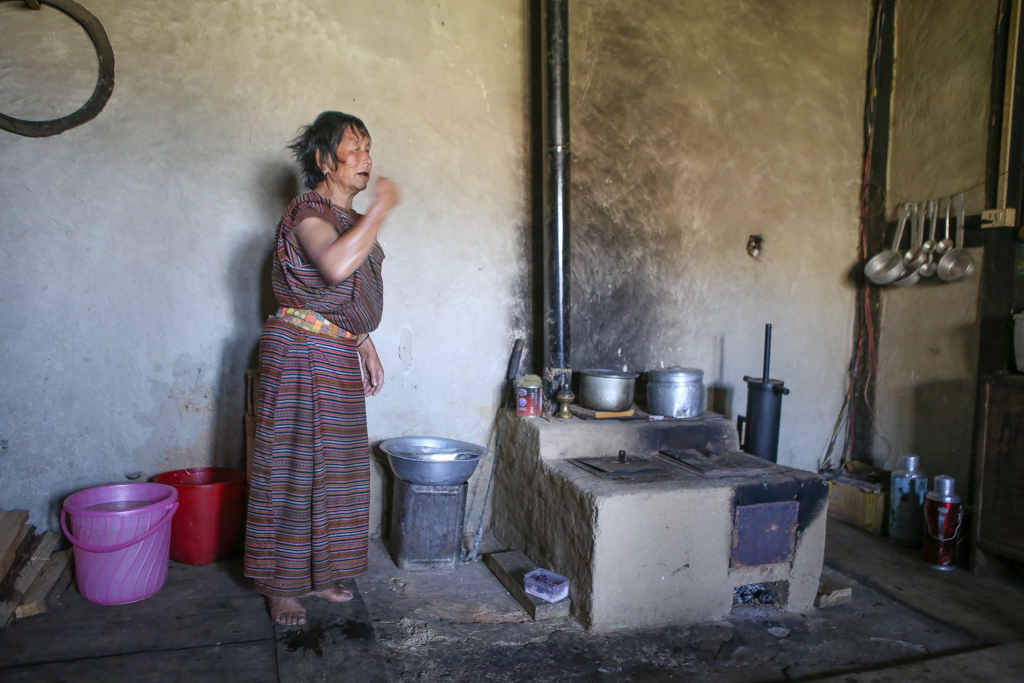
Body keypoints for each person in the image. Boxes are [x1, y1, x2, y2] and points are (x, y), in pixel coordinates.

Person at [244, 111, 399, 627]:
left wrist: (365, 343)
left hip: (332, 351)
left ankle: (320, 571)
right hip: (299, 352)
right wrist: (381, 209)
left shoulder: (351, 222)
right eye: (353, 149)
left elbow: (342, 297)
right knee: (293, 468)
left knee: (336, 471)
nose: (366, 159)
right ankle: (280, 585)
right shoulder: (308, 211)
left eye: (368, 148)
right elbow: (333, 266)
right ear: (323, 160)